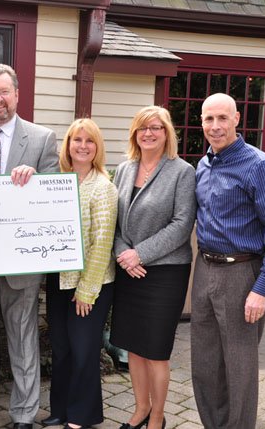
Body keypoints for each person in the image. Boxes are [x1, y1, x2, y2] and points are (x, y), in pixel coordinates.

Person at [0, 63, 59, 429]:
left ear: (17, 94)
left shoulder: (41, 138)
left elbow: (53, 190)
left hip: (21, 257)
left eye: (5, 92)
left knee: (23, 337)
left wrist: (36, 177)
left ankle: (23, 412)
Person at [192, 93, 265, 429]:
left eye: (223, 118)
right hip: (205, 269)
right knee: (205, 363)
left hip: (242, 275)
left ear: (237, 119)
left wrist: (261, 289)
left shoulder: (260, 167)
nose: (215, 126)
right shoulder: (204, 164)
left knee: (239, 368)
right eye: (209, 119)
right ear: (202, 122)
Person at [109, 106, 196, 429]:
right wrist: (123, 254)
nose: (149, 133)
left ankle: (158, 416)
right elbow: (114, 221)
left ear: (167, 132)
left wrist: (139, 254)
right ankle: (140, 409)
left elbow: (182, 223)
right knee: (133, 346)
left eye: (156, 128)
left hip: (164, 272)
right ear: (135, 133)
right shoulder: (124, 169)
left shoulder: (182, 171)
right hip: (128, 270)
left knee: (156, 350)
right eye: (143, 128)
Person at [42, 118, 117, 429]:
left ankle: (82, 415)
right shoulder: (58, 180)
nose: (83, 146)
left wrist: (87, 290)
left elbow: (102, 242)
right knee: (60, 349)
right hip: (59, 279)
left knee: (84, 350)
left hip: (92, 284)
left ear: (97, 147)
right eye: (77, 140)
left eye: (89, 141)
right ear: (68, 145)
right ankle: (60, 409)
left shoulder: (103, 186)